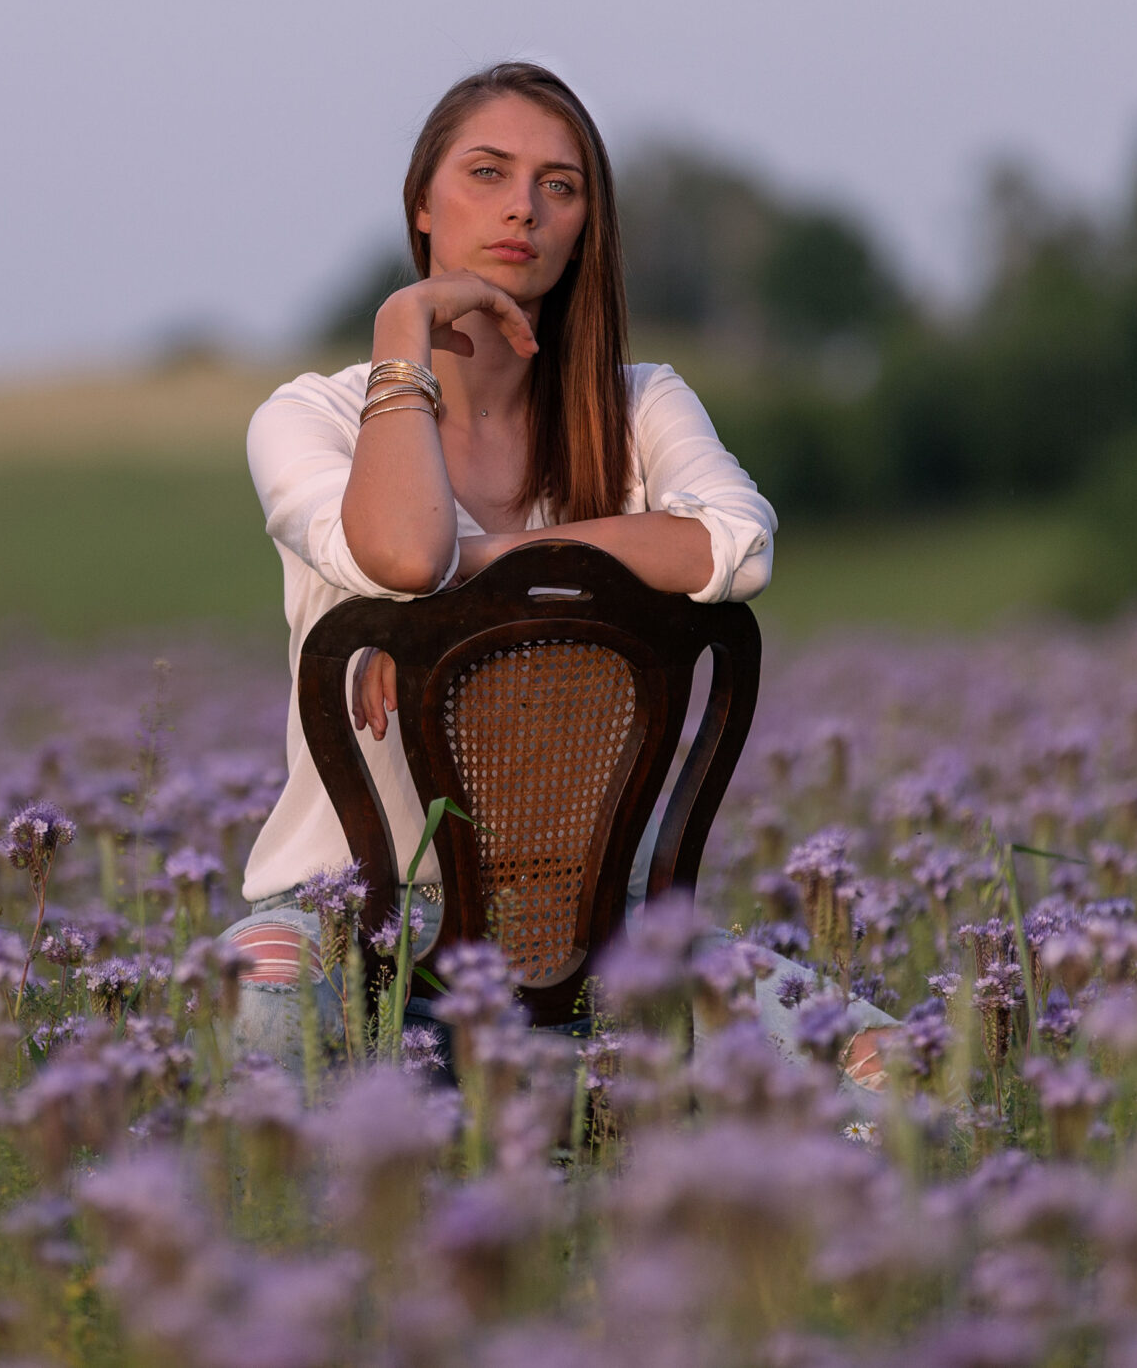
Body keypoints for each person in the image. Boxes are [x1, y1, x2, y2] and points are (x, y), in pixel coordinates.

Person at [223, 61, 893, 1094]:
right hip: (344, 911)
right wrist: (403, 331)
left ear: (588, 225)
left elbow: (732, 545)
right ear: (422, 206)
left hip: (598, 927)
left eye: (559, 185)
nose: (521, 208)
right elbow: (398, 554)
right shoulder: (308, 418)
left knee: (888, 1063)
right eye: (486, 173)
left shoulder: (639, 408)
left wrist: (456, 600)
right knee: (262, 1023)